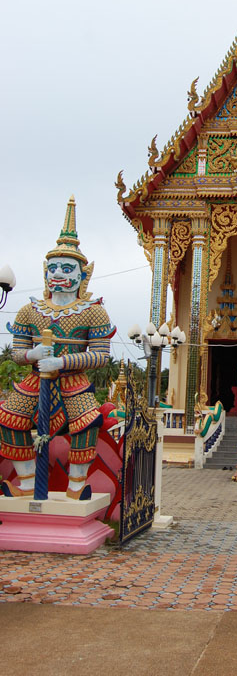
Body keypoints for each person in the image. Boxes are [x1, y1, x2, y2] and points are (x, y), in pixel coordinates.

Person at [0, 196, 115, 500]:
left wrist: (62, 363)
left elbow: (101, 355)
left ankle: (76, 486)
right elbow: (17, 352)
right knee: (9, 418)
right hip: (36, 379)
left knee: (87, 423)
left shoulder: (93, 311)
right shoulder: (30, 311)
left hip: (73, 380)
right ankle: (26, 482)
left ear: (82, 275)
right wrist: (33, 355)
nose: (58, 274)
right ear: (45, 273)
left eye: (67, 268)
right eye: (52, 268)